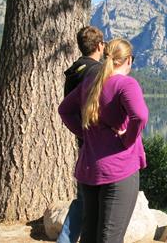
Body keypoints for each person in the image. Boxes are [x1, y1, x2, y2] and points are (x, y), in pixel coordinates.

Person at [59, 38, 148, 243]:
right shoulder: (126, 84)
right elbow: (140, 116)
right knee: (110, 237)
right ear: (127, 60)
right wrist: (127, 140)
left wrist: (85, 134)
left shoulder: (91, 82)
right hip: (119, 169)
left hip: (90, 169)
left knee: (89, 235)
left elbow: (64, 110)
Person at [58, 26, 105, 243]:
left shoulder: (74, 70)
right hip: (98, 144)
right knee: (98, 200)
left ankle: (66, 239)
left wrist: (81, 132)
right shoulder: (97, 71)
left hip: (83, 140)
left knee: (83, 196)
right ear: (100, 46)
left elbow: (69, 108)